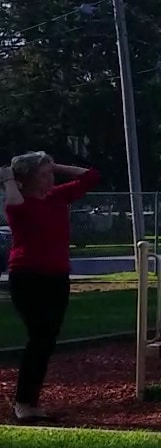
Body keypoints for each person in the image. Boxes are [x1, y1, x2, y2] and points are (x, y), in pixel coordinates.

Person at [4, 151, 100, 422]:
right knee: (39, 337)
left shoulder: (58, 197)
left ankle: (31, 403)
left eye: (51, 173)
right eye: (44, 174)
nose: (50, 178)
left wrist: (53, 164)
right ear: (28, 178)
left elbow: (92, 177)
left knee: (47, 340)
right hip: (27, 277)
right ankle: (24, 403)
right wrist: (10, 178)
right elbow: (14, 204)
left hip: (57, 276)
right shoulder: (19, 204)